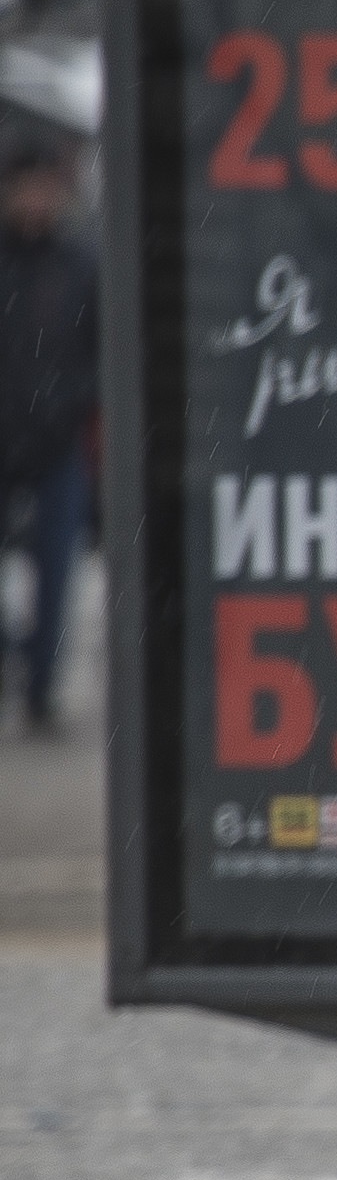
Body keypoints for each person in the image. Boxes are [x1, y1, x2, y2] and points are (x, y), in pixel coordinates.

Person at [0, 132, 99, 737]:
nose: (38, 199)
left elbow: (101, 350)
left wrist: (70, 404)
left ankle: (40, 688)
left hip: (59, 438)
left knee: (56, 570)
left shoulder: (80, 263)